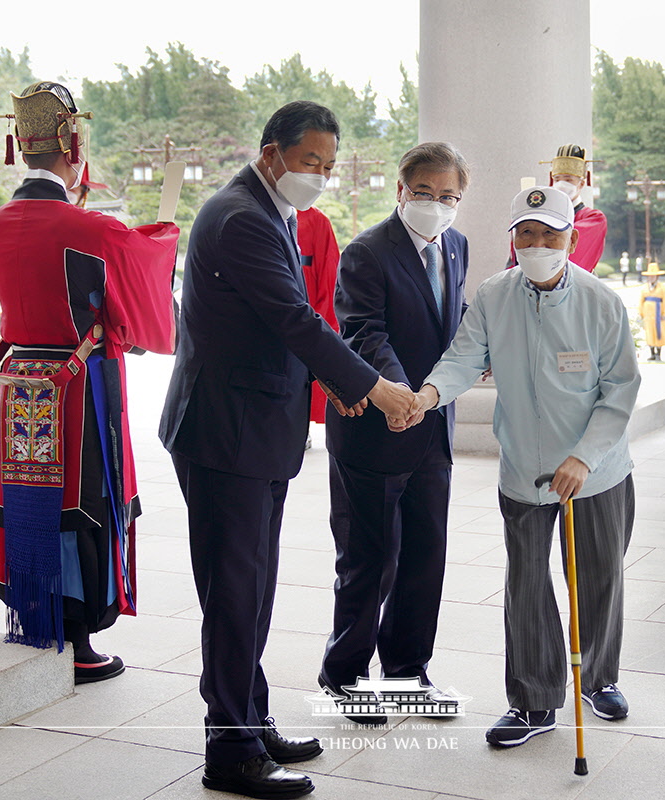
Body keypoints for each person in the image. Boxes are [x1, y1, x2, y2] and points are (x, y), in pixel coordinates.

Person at [157, 101, 415, 800]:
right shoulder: (242, 217)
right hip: (224, 433)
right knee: (235, 592)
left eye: (329, 166)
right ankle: (230, 754)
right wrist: (374, 387)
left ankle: (249, 718)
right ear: (271, 153)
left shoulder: (268, 208)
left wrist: (327, 383)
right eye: (311, 163)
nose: (321, 177)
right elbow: (293, 317)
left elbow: (274, 328)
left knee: (252, 588)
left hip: (252, 426)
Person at [402, 185, 639, 748]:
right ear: (513, 240)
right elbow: (464, 357)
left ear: (570, 238)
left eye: (549, 233)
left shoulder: (601, 302)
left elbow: (620, 391)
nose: (537, 244)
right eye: (526, 234)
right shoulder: (493, 296)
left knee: (599, 578)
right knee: (527, 586)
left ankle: (598, 678)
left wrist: (584, 457)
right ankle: (532, 701)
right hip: (524, 474)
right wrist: (428, 394)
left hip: (596, 472)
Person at [0, 82, 178, 685]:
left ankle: (34, 617)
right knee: (83, 497)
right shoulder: (88, 228)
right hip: (78, 383)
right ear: (73, 142)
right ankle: (80, 638)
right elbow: (141, 303)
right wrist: (165, 229)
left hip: (20, 381)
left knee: (27, 498)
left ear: (22, 145)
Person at [319, 142, 470, 723]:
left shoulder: (454, 246)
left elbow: (450, 328)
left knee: (425, 556)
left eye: (449, 196)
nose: (437, 205)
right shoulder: (366, 253)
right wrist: (400, 395)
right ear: (401, 190)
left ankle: (407, 670)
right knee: (370, 558)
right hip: (376, 430)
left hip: (432, 429)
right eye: (427, 193)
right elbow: (364, 334)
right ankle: (344, 674)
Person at [296, 205, 341, 446]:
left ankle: (301, 428)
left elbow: (330, 277)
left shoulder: (317, 222)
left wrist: (321, 324)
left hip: (307, 317)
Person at [544, 143, 607, 272]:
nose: (561, 185)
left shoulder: (594, 218)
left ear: (581, 183)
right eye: (557, 179)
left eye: (568, 180)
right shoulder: (545, 215)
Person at [638, 262, 665, 361]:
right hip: (648, 314)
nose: (651, 278)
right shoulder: (644, 288)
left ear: (657, 276)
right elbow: (641, 301)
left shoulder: (662, 288)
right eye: (650, 276)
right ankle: (652, 353)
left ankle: (658, 354)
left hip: (658, 313)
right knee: (649, 333)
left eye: (653, 276)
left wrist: (664, 313)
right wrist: (641, 314)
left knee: (659, 333)